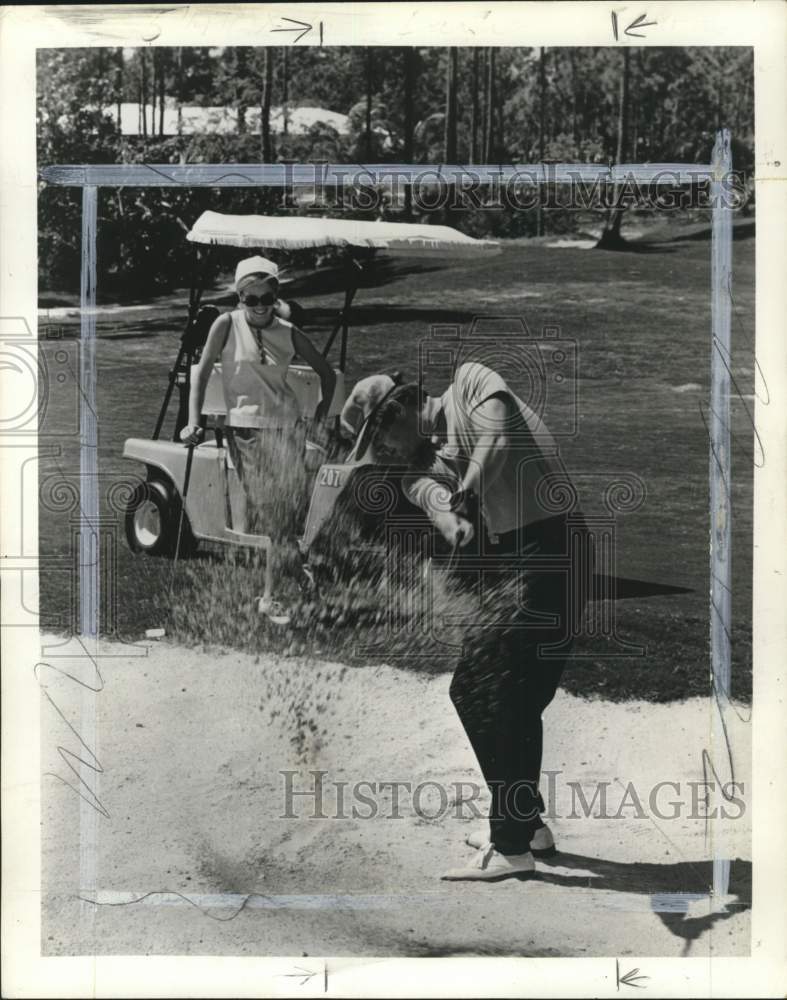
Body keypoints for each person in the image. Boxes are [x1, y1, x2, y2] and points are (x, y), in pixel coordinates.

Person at [360, 361, 592, 882]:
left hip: (554, 548)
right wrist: (452, 517)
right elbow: (436, 505)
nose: (383, 449)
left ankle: (511, 845)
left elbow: (498, 436)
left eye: (380, 435)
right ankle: (526, 827)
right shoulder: (420, 469)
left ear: (401, 410)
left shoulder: (469, 382)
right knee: (495, 694)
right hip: (519, 563)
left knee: (494, 692)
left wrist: (467, 489)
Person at [181, 255, 336, 623]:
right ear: (240, 298)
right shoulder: (226, 324)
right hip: (244, 430)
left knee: (282, 514)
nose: (260, 306)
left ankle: (273, 594)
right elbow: (201, 374)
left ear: (275, 296)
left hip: (287, 430)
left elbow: (326, 375)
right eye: (251, 299)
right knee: (270, 510)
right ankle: (291, 576)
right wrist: (193, 422)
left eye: (267, 298)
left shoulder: (289, 332)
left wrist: (317, 419)